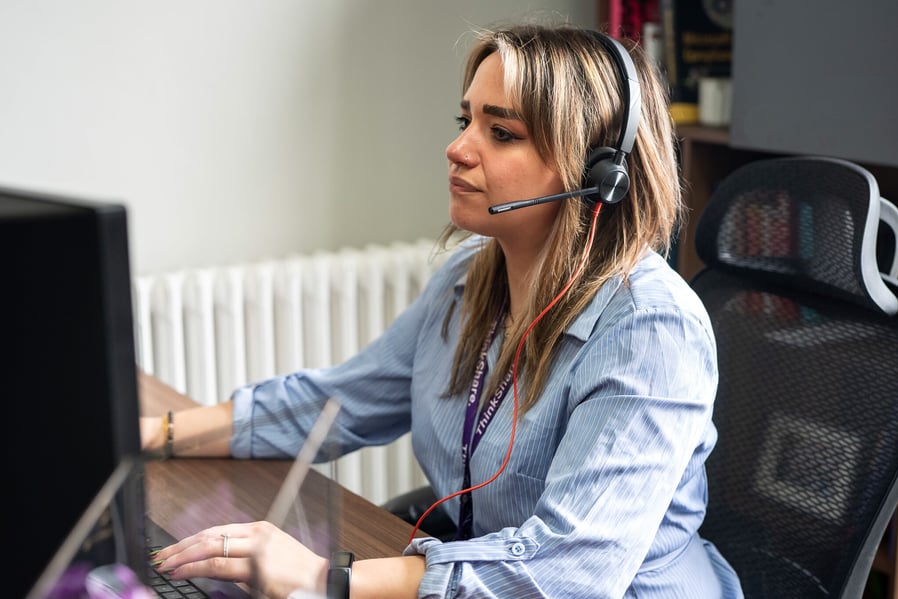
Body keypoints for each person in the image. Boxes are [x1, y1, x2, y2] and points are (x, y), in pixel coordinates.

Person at [142, 22, 744, 599]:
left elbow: (568, 574)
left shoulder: (650, 330)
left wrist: (326, 579)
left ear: (596, 174)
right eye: (466, 121)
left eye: (501, 132)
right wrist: (154, 435)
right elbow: (336, 403)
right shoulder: (469, 279)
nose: (457, 149)